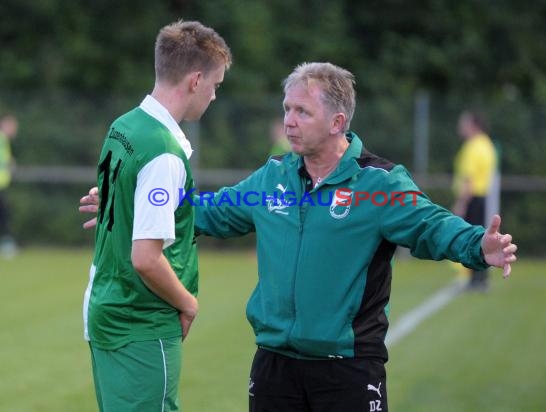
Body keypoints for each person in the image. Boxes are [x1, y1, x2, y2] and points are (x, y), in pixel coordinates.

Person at [81, 62, 516, 412]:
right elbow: (206, 210)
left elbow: (430, 226)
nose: (288, 121)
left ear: (337, 121)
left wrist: (477, 245)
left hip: (347, 369)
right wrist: (134, 205)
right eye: (286, 109)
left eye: (301, 112)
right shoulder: (273, 177)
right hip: (274, 366)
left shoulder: (377, 183)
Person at [82, 21, 231, 412]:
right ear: (195, 80)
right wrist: (188, 303)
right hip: (140, 323)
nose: (214, 96)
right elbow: (146, 259)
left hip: (106, 309)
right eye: (215, 85)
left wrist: (123, 209)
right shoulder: (164, 152)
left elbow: (127, 207)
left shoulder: (124, 125)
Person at [452, 110, 498, 291]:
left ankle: (475, 279)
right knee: (479, 236)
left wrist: (461, 202)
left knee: (470, 237)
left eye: (463, 124)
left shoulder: (473, 146)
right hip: (482, 197)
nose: (460, 127)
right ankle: (480, 277)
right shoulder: (487, 144)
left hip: (472, 198)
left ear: (473, 125)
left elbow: (469, 179)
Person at [0, 113, 18, 257]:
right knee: (4, 215)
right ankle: (6, 244)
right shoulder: (1, 139)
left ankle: (6, 243)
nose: (14, 130)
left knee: (4, 214)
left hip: (2, 185)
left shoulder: (4, 140)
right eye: (12, 126)